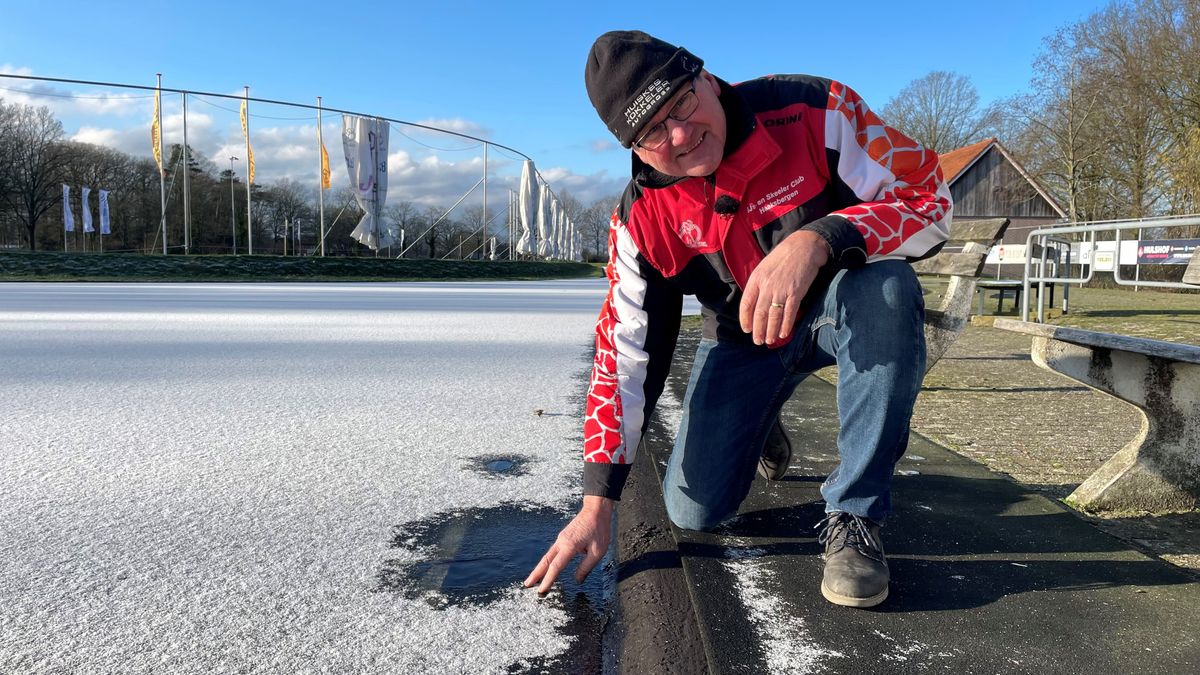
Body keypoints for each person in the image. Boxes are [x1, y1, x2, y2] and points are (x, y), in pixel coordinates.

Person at [524, 30, 951, 608]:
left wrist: (822, 237)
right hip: (745, 339)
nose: (679, 134)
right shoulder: (640, 219)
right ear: (629, 147)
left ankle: (856, 516)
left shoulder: (817, 109)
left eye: (680, 103)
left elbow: (929, 199)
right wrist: (598, 504)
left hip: (840, 312)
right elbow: (622, 355)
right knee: (692, 509)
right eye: (651, 132)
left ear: (704, 76)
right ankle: (760, 416)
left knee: (889, 287)